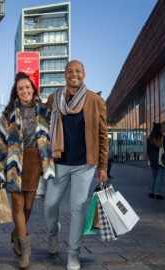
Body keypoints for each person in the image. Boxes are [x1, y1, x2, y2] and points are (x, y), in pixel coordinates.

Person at [44, 60, 109, 270]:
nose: (74, 74)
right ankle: (53, 232)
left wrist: (102, 166)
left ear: (84, 74)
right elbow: (43, 127)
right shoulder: (54, 98)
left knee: (78, 207)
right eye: (70, 71)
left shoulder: (95, 100)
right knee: (49, 205)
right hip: (59, 162)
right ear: (65, 74)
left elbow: (102, 135)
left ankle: (73, 253)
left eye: (78, 71)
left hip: (84, 164)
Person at [0, 72, 55, 269]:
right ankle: (25, 249)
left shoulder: (45, 111)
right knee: (18, 206)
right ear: (16, 92)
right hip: (14, 163)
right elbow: (1, 143)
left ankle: (17, 233)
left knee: (28, 206)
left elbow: (52, 136)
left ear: (33, 88)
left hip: (35, 160)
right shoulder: (9, 112)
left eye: (27, 87)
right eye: (20, 88)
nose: (24, 91)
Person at [146, 122, 165, 200]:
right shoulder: (162, 138)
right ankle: (158, 193)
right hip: (161, 158)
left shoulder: (150, 138)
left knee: (153, 175)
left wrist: (150, 157)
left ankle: (150, 192)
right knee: (159, 176)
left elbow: (148, 150)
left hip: (153, 158)